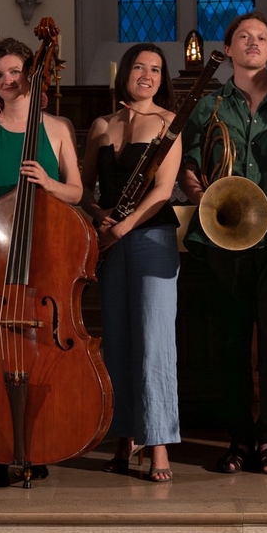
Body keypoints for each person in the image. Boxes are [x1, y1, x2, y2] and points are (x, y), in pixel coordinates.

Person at [179, 11, 267, 475]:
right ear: (230, 49)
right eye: (243, 37)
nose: (252, 43)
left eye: (260, 37)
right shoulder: (208, 105)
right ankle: (238, 440)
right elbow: (192, 163)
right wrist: (203, 195)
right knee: (230, 347)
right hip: (225, 241)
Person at [0, 37, 84, 486]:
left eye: (15, 71)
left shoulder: (57, 127)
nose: (8, 80)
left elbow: (77, 191)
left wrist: (48, 182)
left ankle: (37, 439)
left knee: (42, 351)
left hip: (46, 254)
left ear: (31, 73)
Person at [80, 43, 181, 483]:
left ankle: (158, 443)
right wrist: (99, 215)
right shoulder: (102, 125)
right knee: (117, 340)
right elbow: (83, 187)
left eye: (155, 69)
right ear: (124, 73)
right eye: (139, 67)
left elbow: (162, 190)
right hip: (108, 240)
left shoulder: (170, 122)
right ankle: (124, 437)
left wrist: (126, 225)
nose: (147, 75)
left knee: (154, 341)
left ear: (163, 79)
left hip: (152, 238)